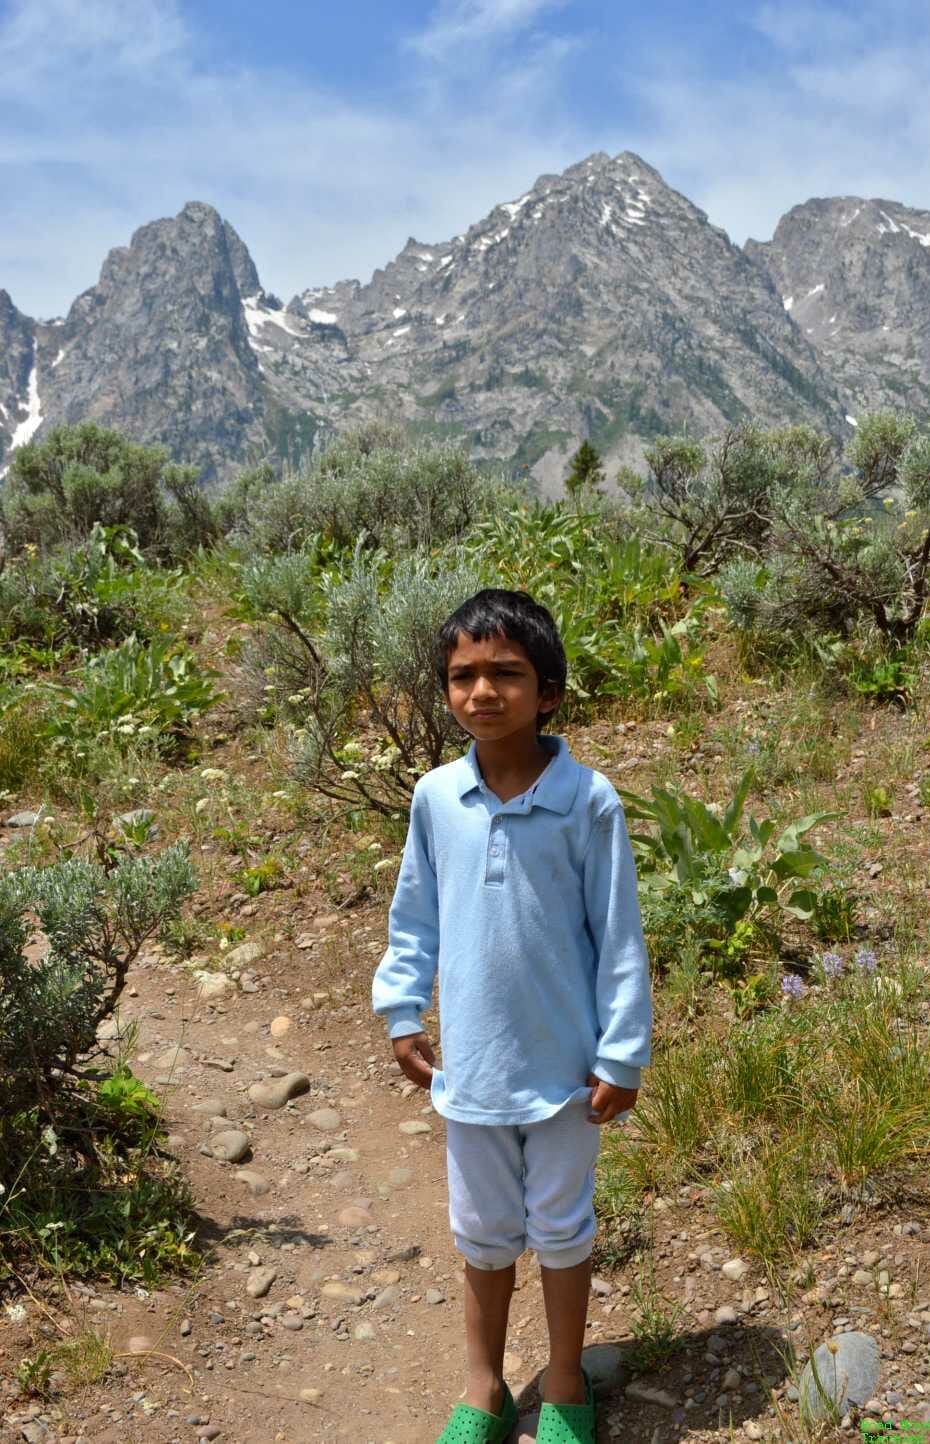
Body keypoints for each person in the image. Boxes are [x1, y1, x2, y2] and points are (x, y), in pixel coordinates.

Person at [372, 588, 652, 1444]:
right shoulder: (435, 799)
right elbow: (413, 916)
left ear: (550, 691)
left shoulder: (587, 800)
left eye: (507, 673)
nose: (482, 692)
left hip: (568, 1074)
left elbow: (619, 935)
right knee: (483, 1232)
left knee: (564, 1228)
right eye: (463, 676)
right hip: (476, 1070)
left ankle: (567, 1381)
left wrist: (622, 1055)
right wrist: (401, 1008)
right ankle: (484, 1388)